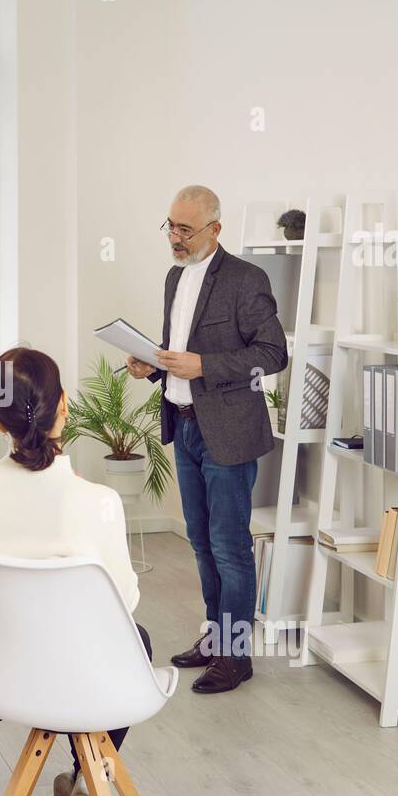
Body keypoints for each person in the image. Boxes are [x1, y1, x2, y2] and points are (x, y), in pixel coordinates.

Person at [0, 346, 151, 796]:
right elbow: (126, 602)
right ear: (64, 405)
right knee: (137, 640)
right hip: (80, 677)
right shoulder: (97, 500)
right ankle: (85, 779)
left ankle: (80, 784)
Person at [126, 185, 287, 694]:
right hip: (184, 424)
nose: (174, 238)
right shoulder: (175, 277)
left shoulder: (246, 279)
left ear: (215, 229)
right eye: (169, 226)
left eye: (185, 229)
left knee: (230, 546)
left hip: (229, 432)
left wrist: (206, 366)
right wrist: (151, 365)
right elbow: (179, 353)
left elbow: (273, 354)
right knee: (200, 541)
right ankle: (216, 639)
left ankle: (236, 658)